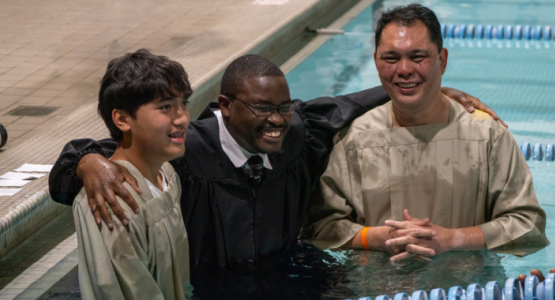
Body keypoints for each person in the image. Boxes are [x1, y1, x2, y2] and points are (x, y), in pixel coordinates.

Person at [49, 53, 496, 296]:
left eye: (283, 108)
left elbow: (343, 105)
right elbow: (99, 157)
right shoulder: (183, 151)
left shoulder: (293, 130)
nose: (277, 120)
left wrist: (424, 94)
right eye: (263, 108)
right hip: (213, 283)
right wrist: (87, 163)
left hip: (286, 269)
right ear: (225, 106)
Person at [304, 4, 548, 261]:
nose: (404, 69)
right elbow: (320, 227)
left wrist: (454, 239)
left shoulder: (487, 136)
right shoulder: (354, 139)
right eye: (391, 58)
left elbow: (527, 225)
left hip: (467, 289)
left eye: (417, 56)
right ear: (376, 62)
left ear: (442, 60)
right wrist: (376, 238)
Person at [72, 49, 191, 300]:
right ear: (123, 119)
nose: (182, 118)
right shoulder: (110, 201)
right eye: (166, 106)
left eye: (184, 104)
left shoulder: (167, 175)